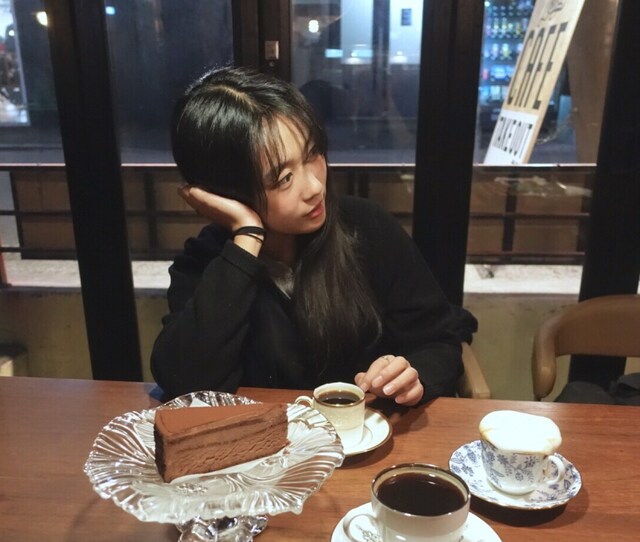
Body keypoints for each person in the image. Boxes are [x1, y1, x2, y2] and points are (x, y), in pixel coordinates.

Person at [150, 66, 477, 405]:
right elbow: (187, 385)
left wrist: (411, 377)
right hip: (266, 438)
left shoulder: (366, 228)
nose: (315, 187)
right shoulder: (207, 264)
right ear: (226, 192)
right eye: (283, 178)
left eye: (312, 154)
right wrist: (247, 235)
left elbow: (438, 340)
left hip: (366, 433)